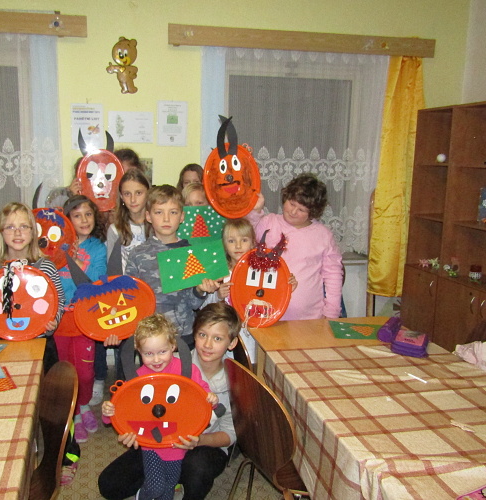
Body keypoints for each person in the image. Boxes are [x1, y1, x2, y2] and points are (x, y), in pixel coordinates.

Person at [99, 302, 241, 500]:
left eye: (217, 338)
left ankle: (177, 481)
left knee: (197, 470)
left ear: (231, 343)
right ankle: (158, 481)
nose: (208, 345)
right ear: (194, 335)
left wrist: (199, 441)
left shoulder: (236, 381)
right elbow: (137, 404)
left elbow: (231, 433)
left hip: (204, 446)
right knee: (110, 485)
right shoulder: (165, 361)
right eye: (202, 335)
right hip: (160, 440)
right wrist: (131, 432)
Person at [124, 185, 220, 349]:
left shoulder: (191, 253)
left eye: (173, 212)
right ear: (148, 216)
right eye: (159, 212)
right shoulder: (137, 255)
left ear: (182, 217)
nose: (166, 219)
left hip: (183, 335)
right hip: (150, 337)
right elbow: (130, 298)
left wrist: (201, 290)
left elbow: (194, 303)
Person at [0, 202, 64, 373]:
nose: (18, 232)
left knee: (42, 387)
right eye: (10, 227)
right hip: (3, 346)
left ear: (33, 232)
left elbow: (59, 301)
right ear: (1, 232)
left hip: (41, 344)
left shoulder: (46, 268)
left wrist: (53, 322)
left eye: (24, 226)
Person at [89, 169, 151, 406]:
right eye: (127, 194)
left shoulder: (155, 222)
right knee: (125, 352)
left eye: (139, 193)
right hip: (126, 298)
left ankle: (147, 398)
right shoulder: (116, 229)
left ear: (148, 193)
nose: (133, 199)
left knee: (150, 351)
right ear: (121, 197)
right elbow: (112, 268)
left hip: (151, 296)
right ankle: (124, 399)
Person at [246, 173, 342, 320]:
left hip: (309, 317)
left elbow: (333, 275)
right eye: (291, 204)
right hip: (267, 313)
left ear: (312, 213)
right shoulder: (269, 222)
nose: (293, 211)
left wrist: (331, 312)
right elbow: (245, 235)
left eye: (301, 210)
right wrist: (255, 211)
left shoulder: (323, 235)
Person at [53, 195, 107, 443]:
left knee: (85, 372)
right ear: (67, 220)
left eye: (88, 214)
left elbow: (96, 280)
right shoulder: (55, 247)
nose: (84, 220)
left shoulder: (97, 247)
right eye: (77, 215)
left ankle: (83, 405)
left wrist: (74, 261)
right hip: (60, 319)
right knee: (66, 369)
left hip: (85, 317)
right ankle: (74, 413)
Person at [202, 218, 297, 361]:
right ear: (224, 245)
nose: (238, 245)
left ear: (253, 243)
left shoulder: (263, 270)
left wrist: (288, 287)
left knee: (254, 365)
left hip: (257, 334)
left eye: (244, 240)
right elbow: (204, 307)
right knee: (232, 368)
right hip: (228, 337)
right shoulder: (220, 273)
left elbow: (273, 297)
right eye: (231, 241)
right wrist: (218, 295)